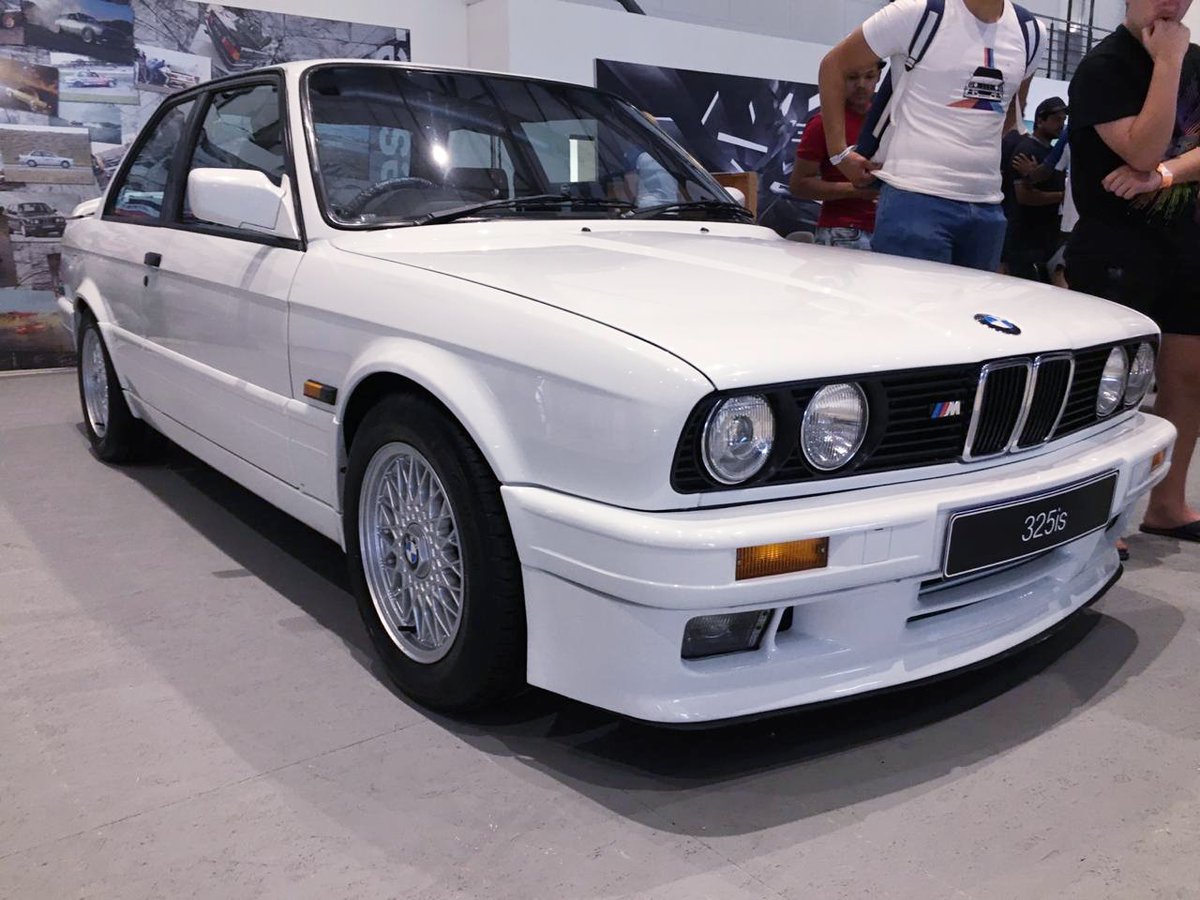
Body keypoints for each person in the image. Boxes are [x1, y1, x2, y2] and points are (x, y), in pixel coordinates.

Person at [1065, 0, 1200, 544]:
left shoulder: (1196, 58)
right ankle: (1102, 516)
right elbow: (1142, 149)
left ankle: (1167, 504)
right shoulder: (1106, 64)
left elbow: (1155, 166)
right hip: (1116, 246)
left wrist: (1167, 175)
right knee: (1112, 385)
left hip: (1185, 242)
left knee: (1188, 377)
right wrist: (1167, 62)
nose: (1171, 2)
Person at [818, 0, 1044, 271]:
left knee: (971, 301)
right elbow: (834, 65)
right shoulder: (915, 13)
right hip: (915, 199)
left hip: (987, 207)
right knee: (906, 299)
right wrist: (838, 153)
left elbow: (1011, 111)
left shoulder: (1030, 32)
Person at [789, 61, 881, 250]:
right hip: (843, 230)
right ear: (839, 77)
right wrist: (856, 190)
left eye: (869, 76)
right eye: (852, 77)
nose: (861, 85)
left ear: (879, 76)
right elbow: (799, 185)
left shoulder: (889, 122)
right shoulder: (822, 124)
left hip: (887, 230)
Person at [1007, 96, 1067, 280]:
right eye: (1056, 119)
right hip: (1026, 239)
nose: (1061, 124)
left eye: (1063, 120)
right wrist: (1063, 196)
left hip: (1044, 238)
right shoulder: (1027, 150)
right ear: (1040, 120)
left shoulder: (1052, 154)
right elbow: (1024, 196)